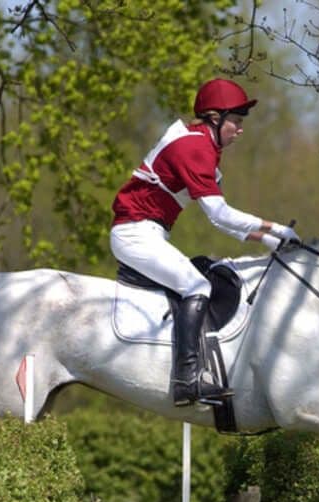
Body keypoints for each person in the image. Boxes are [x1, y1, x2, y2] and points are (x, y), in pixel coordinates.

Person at [110, 78, 300, 406]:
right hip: (134, 233)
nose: (240, 130)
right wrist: (276, 227)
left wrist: (269, 240)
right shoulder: (193, 148)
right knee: (198, 286)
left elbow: (223, 221)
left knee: (199, 278)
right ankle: (187, 380)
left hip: (147, 231)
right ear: (215, 118)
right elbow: (220, 213)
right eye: (236, 122)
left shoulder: (203, 147)